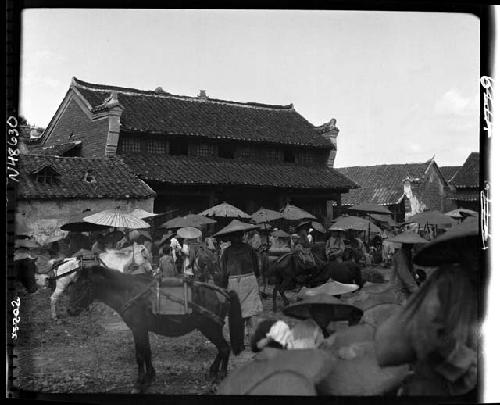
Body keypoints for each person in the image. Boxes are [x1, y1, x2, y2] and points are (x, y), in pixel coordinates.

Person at [375, 219, 480, 397]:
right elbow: (427, 332)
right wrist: (466, 367)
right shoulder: (448, 280)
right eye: (474, 250)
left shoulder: (482, 281)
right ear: (463, 251)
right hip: (439, 383)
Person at [218, 220, 263, 341]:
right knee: (251, 310)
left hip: (234, 282)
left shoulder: (227, 252)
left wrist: (222, 287)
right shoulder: (249, 249)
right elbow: (256, 268)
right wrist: (257, 278)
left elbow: (223, 273)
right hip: (250, 280)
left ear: (230, 238)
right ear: (242, 236)